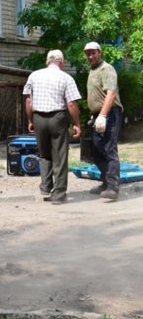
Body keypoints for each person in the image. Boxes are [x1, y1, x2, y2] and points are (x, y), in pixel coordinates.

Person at [23, 49, 82, 204]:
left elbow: (29, 101)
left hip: (39, 118)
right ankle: (59, 194)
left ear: (47, 61)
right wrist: (77, 123)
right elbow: (71, 103)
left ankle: (45, 187)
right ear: (61, 62)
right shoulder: (66, 78)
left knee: (44, 154)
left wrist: (30, 120)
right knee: (60, 156)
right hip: (58, 118)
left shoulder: (34, 76)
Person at [84, 41, 124, 200]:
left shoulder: (106, 69)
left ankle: (113, 187)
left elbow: (111, 93)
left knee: (109, 149)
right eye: (88, 53)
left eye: (93, 53)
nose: (91, 56)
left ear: (100, 53)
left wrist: (102, 115)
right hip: (98, 115)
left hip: (110, 114)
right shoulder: (93, 70)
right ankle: (106, 182)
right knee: (96, 151)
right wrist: (95, 115)